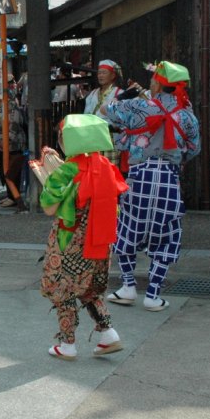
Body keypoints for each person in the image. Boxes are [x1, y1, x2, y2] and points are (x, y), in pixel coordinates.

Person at [104, 61, 201, 312]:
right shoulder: (187, 115)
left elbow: (106, 109)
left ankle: (127, 286)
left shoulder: (140, 106)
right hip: (169, 178)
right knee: (167, 235)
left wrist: (129, 95)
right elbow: (193, 149)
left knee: (127, 228)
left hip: (139, 175)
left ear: (157, 82)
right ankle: (154, 294)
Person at [40, 115, 128, 360]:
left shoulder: (67, 170)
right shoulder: (107, 168)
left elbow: (50, 208)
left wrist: (48, 179)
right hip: (100, 239)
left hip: (69, 240)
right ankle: (109, 334)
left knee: (62, 289)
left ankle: (67, 344)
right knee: (89, 289)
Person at [0, 81, 28, 211]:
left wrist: (6, 141)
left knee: (12, 171)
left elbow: (15, 125)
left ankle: (13, 197)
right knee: (2, 170)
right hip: (0, 144)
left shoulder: (12, 106)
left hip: (14, 144)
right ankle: (10, 195)